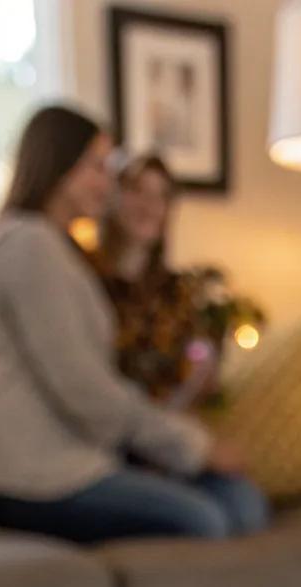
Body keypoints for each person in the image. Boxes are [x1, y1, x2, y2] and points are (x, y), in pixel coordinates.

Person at [0, 105, 268, 544]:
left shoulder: (58, 249)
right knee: (206, 520)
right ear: (58, 165)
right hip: (37, 480)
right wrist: (196, 447)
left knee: (243, 503)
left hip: (83, 463)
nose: (107, 183)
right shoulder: (29, 246)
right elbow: (85, 392)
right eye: (97, 167)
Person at [91, 151, 219, 408]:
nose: (149, 205)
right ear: (114, 196)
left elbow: (188, 378)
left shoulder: (177, 292)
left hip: (160, 433)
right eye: (137, 191)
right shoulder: (88, 282)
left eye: (161, 196)